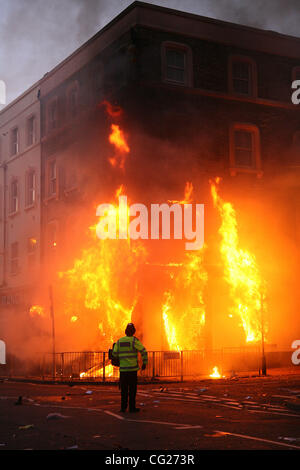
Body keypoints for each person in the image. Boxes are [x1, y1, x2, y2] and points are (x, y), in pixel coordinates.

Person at [112, 322, 148, 413]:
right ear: (133, 332)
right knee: (132, 390)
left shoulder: (119, 341)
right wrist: (144, 362)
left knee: (123, 390)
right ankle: (132, 408)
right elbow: (143, 351)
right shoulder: (134, 341)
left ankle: (123, 408)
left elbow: (114, 353)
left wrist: (119, 358)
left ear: (125, 331)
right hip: (132, 370)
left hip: (123, 371)